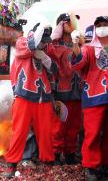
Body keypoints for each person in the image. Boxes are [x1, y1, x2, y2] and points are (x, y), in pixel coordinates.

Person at [4, 23, 56, 179]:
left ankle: (48, 162)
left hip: (44, 96)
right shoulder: (22, 41)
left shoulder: (47, 48)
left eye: (46, 40)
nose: (44, 43)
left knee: (46, 132)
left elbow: (56, 70)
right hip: (24, 95)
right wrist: (37, 34)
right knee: (19, 132)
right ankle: (12, 164)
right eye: (42, 39)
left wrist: (46, 59)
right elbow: (28, 48)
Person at [71, 16, 108, 181]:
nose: (102, 28)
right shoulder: (89, 48)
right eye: (99, 25)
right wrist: (75, 45)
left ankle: (106, 164)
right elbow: (78, 63)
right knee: (92, 134)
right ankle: (90, 166)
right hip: (94, 95)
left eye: (105, 25)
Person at [50, 13, 83, 165]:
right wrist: (54, 36)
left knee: (74, 125)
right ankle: (56, 153)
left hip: (77, 91)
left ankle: (70, 153)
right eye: (68, 22)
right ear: (61, 25)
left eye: (73, 22)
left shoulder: (80, 43)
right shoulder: (54, 45)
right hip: (61, 91)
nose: (72, 24)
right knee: (59, 125)